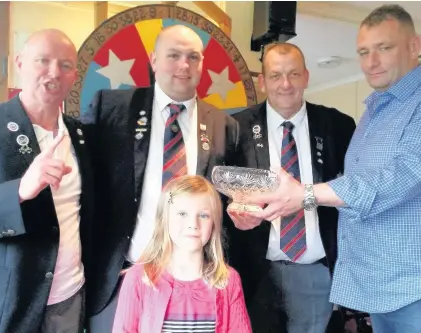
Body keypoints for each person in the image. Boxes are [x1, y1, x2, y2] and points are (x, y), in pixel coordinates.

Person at [243, 5, 421, 333]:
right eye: (364, 52)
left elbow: (400, 177)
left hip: (405, 285)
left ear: (415, 46)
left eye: (384, 48)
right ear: (263, 81)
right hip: (372, 284)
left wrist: (306, 195)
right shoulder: (376, 109)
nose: (372, 61)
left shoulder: (339, 123)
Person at [81, 24, 240, 332]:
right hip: (121, 278)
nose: (184, 65)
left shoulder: (224, 126)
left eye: (193, 57)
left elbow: (226, 203)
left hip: (194, 288)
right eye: (174, 55)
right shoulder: (111, 108)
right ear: (154, 60)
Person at [229, 42, 356, 333]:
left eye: (294, 74)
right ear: (262, 81)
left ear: (307, 77)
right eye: (275, 75)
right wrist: (233, 209)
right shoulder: (236, 128)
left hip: (315, 273)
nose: (285, 84)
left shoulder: (337, 125)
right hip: (255, 271)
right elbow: (222, 191)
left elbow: (352, 189)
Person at [0, 29, 94, 333]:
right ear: (20, 63)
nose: (54, 72)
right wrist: (20, 191)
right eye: (43, 61)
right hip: (8, 299)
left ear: (74, 75)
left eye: (64, 65)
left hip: (69, 295)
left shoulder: (80, 135)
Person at [112, 175, 251, 333]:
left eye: (204, 215)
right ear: (164, 219)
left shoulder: (228, 280)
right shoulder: (139, 278)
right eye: (182, 214)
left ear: (214, 224)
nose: (193, 224)